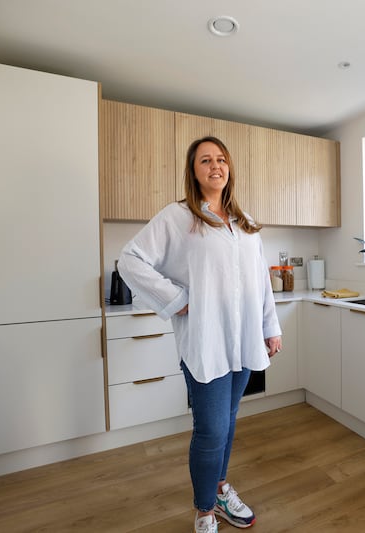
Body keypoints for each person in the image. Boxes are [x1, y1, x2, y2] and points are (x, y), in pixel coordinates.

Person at [118, 136, 282, 533]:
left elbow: (260, 282)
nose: (215, 166)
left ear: (229, 168)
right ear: (193, 171)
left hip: (243, 342)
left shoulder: (244, 225)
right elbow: (130, 260)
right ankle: (205, 509)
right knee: (209, 430)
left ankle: (220, 489)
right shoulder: (179, 217)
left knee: (227, 421)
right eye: (205, 160)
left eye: (221, 159)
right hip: (206, 343)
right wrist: (177, 299)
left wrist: (270, 328)